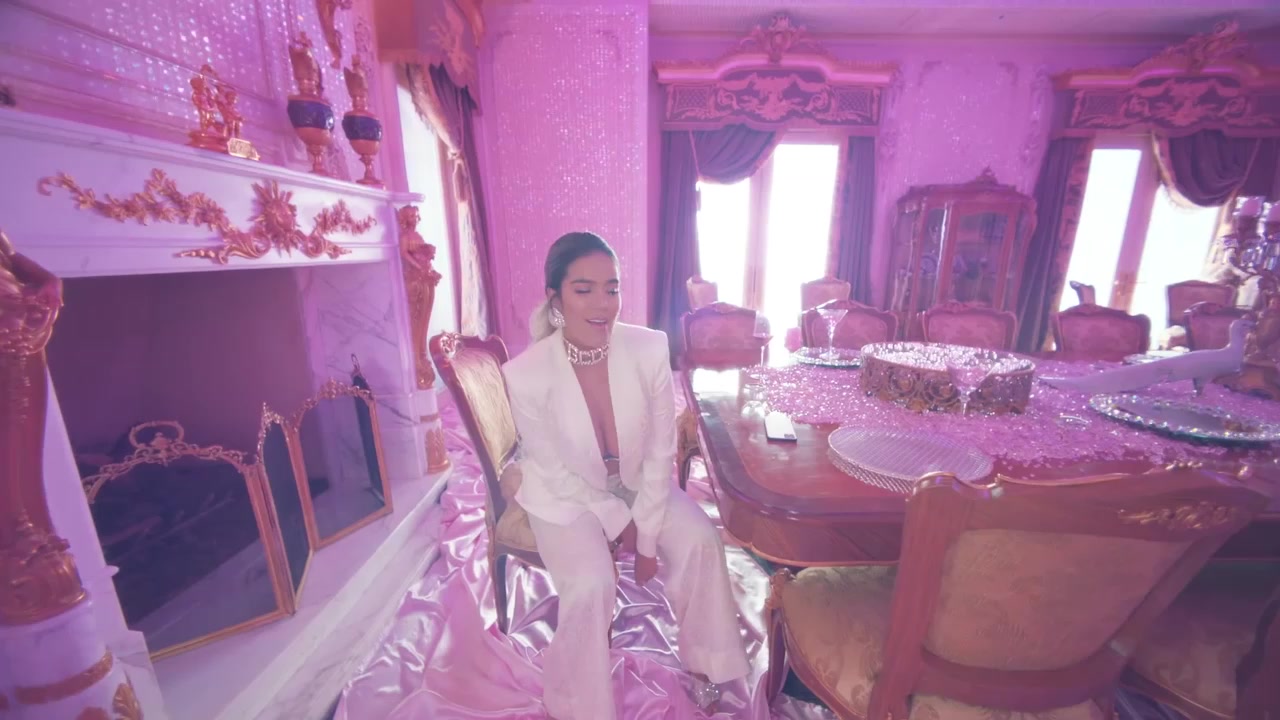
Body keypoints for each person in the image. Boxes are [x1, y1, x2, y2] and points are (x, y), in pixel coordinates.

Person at [501, 232, 750, 720]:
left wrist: (649, 536)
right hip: (563, 494)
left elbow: (660, 449)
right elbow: (555, 472)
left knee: (701, 540)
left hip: (637, 478)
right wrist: (624, 523)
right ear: (555, 298)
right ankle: (580, 704)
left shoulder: (648, 348)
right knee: (591, 583)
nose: (603, 304)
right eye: (584, 289)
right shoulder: (526, 375)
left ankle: (706, 663)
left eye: (612, 288)